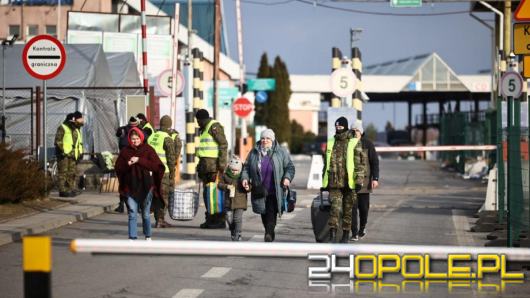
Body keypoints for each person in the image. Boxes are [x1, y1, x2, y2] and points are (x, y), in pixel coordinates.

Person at [241, 129, 295, 242]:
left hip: (275, 190)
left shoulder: (281, 152)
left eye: (268, 138)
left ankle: (268, 234)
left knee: (271, 212)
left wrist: (287, 178)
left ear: (273, 139)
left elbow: (290, 167)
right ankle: (269, 231)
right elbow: (246, 167)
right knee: (263, 213)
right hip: (259, 189)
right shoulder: (254, 152)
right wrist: (245, 178)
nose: (265, 140)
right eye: (263, 138)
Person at [115, 127, 164, 240]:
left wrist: (139, 160)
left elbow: (157, 166)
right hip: (129, 187)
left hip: (146, 186)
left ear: (141, 138)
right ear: (129, 139)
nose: (135, 141)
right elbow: (118, 168)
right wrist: (127, 163)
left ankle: (148, 235)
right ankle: (132, 237)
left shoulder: (148, 149)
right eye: (132, 139)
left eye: (137, 138)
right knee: (132, 212)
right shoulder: (125, 152)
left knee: (146, 214)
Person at [322, 116, 365, 243]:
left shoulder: (354, 142)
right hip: (334, 183)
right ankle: (332, 235)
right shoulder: (331, 142)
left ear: (345, 127)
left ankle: (346, 234)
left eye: (340, 127)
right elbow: (326, 163)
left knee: (348, 210)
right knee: (334, 209)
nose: (338, 129)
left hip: (349, 183)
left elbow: (360, 164)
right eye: (336, 127)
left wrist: (359, 181)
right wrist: (324, 182)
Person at [195, 109, 228, 229]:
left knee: (216, 195)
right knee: (207, 195)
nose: (197, 123)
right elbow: (204, 152)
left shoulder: (214, 127)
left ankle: (219, 220)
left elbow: (223, 145)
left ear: (202, 119)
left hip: (214, 168)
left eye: (198, 120)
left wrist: (222, 166)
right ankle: (210, 219)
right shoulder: (204, 129)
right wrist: (200, 166)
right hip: (206, 168)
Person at [350, 122, 379, 241]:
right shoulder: (348, 144)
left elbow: (375, 162)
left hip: (364, 182)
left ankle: (362, 228)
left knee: (363, 208)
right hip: (351, 183)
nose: (355, 132)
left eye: (357, 130)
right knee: (352, 208)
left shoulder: (368, 144)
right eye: (353, 130)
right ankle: (354, 233)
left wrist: (375, 178)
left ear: (361, 131)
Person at [147, 115, 177, 228]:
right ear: (169, 126)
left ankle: (158, 219)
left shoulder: (152, 136)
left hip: (151, 171)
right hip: (163, 172)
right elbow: (171, 159)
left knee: (155, 195)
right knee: (164, 195)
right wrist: (172, 176)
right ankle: (160, 219)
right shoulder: (167, 138)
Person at [54, 111, 84, 197]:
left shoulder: (75, 129)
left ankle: (70, 189)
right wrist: (62, 151)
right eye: (73, 121)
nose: (74, 123)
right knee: (63, 173)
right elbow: (58, 140)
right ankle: (62, 190)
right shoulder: (62, 127)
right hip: (64, 155)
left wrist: (80, 153)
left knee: (71, 173)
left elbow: (79, 142)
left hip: (72, 155)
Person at [218, 155, 248, 241]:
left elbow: (249, 186)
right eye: (232, 170)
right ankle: (233, 230)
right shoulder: (225, 175)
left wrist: (247, 187)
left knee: (237, 218)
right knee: (227, 216)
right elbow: (219, 185)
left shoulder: (243, 176)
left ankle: (238, 233)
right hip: (228, 201)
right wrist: (226, 186)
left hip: (240, 202)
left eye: (236, 170)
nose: (234, 172)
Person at [114, 116, 139, 213]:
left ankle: (122, 205)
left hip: (123, 159)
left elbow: (117, 134)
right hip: (133, 159)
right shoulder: (138, 131)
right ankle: (131, 206)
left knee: (123, 183)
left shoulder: (122, 129)